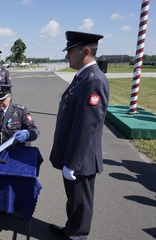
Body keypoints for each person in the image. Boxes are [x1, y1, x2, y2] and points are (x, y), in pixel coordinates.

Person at [49, 31, 109, 240]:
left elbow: (87, 127)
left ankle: (77, 236)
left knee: (81, 202)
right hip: (72, 154)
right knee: (74, 200)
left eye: (70, 52)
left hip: (80, 159)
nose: (67, 57)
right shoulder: (83, 76)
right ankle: (71, 229)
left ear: (85, 51)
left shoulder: (93, 80)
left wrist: (73, 162)